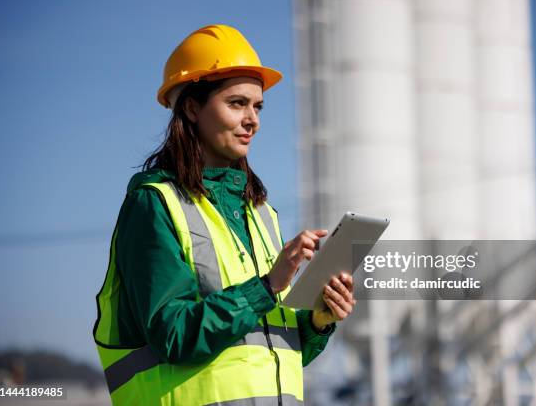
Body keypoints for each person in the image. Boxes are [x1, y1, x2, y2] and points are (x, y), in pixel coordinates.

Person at [93, 24, 356, 405]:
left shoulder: (262, 214)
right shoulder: (154, 204)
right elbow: (174, 335)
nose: (254, 120)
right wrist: (267, 286)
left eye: (258, 106)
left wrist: (319, 321)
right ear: (192, 107)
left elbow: (271, 355)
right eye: (237, 103)